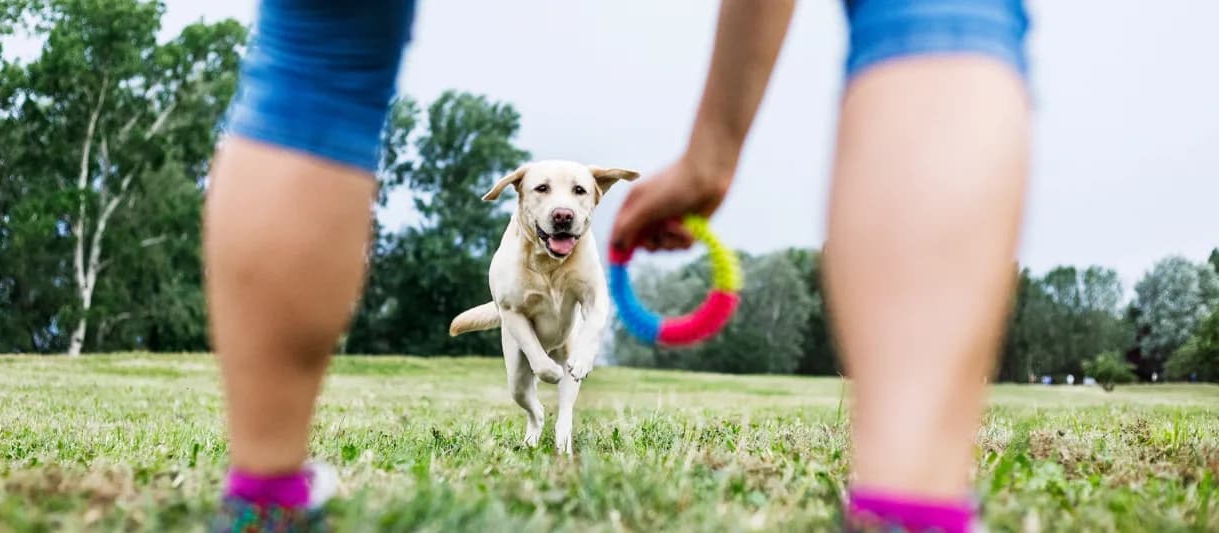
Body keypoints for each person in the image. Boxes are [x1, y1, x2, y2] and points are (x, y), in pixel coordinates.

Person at [205, 0, 1031, 531]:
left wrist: (708, 152)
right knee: (934, 9)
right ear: (520, 197)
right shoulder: (523, 223)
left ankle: (265, 499)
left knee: (324, 43)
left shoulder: (580, 227)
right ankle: (909, 510)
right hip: (528, 318)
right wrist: (713, 150)